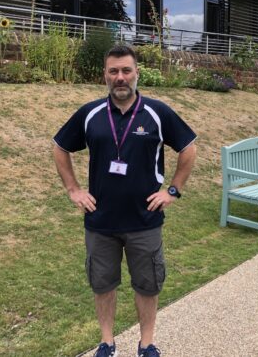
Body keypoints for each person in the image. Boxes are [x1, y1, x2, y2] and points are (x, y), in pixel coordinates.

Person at [53, 45, 197, 357]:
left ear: (136, 74)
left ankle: (146, 345)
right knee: (102, 285)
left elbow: (188, 147)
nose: (120, 77)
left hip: (144, 221)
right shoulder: (90, 114)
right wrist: (73, 189)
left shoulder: (157, 113)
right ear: (105, 75)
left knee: (148, 285)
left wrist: (172, 190)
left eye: (126, 71)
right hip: (100, 222)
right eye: (114, 71)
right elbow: (59, 147)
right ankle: (107, 343)